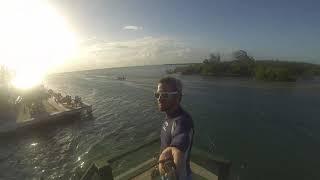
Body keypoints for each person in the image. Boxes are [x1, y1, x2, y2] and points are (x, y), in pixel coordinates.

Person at [155, 77, 194, 180]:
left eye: (164, 95)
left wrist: (175, 148)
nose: (159, 98)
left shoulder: (182, 121)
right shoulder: (169, 117)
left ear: (177, 97)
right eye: (157, 95)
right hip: (167, 173)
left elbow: (181, 137)